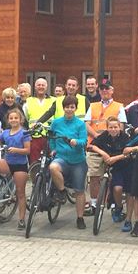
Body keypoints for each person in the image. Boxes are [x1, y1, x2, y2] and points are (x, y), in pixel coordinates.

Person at [84, 79, 127, 215]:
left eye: (107, 88)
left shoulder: (119, 106)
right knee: (94, 177)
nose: (104, 91)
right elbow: (86, 124)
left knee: (113, 177)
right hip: (95, 145)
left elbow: (121, 126)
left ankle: (113, 202)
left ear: (112, 90)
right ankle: (95, 204)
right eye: (102, 89)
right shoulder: (93, 105)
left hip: (113, 147)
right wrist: (97, 137)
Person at [49, 96, 89, 229]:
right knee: (53, 167)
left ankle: (80, 218)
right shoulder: (56, 122)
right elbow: (51, 137)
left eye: (72, 107)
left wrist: (76, 142)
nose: (69, 109)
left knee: (79, 191)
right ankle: (62, 191)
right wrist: (53, 148)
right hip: (62, 158)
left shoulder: (80, 124)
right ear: (63, 108)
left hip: (78, 160)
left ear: (76, 108)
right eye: (67, 107)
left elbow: (84, 141)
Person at [88, 116, 134, 231]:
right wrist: (103, 153)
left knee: (129, 193)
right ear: (107, 128)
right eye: (111, 127)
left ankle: (128, 220)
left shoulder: (125, 137)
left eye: (116, 127)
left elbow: (129, 153)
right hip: (115, 168)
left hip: (127, 166)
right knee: (117, 188)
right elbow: (91, 146)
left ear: (120, 127)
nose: (113, 129)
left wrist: (115, 158)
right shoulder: (104, 136)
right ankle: (118, 207)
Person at [23, 78, 55, 163]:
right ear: (35, 87)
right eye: (38, 85)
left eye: (43, 85)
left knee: (51, 161)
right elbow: (25, 118)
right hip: (34, 136)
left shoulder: (53, 100)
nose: (41, 87)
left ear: (47, 87)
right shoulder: (28, 101)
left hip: (50, 136)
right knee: (34, 162)